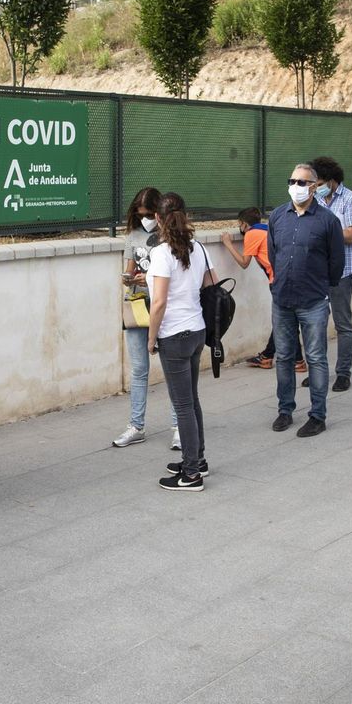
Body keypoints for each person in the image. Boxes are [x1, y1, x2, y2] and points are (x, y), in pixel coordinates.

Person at [269, 163, 345, 437]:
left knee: (315, 358)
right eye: (292, 181)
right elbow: (273, 253)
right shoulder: (278, 216)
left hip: (313, 300)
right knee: (285, 357)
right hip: (282, 300)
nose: (296, 187)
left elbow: (336, 261)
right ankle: (285, 410)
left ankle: (317, 415)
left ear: (314, 186)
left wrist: (323, 287)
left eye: (302, 182)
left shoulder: (327, 220)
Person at [147, 193, 216, 492]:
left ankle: (190, 474)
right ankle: (197, 459)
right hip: (197, 330)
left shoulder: (162, 253)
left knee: (183, 405)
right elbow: (211, 285)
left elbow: (159, 302)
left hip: (173, 335)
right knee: (192, 400)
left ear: (159, 219)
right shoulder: (197, 247)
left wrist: (151, 338)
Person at [114, 186, 178, 451]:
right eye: (140, 214)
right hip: (138, 307)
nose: (145, 219)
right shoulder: (132, 236)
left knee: (174, 371)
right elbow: (128, 271)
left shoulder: (169, 236)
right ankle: (136, 425)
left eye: (149, 213)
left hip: (165, 307)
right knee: (139, 370)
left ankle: (178, 427)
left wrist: (150, 277)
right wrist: (130, 278)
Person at [311, 156, 352, 391]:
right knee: (315, 324)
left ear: (332, 181)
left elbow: (351, 235)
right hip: (316, 273)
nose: (316, 186)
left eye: (319, 182)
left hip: (342, 272)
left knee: (342, 324)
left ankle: (343, 373)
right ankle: (317, 370)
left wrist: (325, 231)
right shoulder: (314, 199)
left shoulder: (351, 200)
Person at [219, 207, 275, 367]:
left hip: (278, 280)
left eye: (239, 224)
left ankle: (268, 356)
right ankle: (295, 360)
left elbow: (244, 263)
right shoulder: (267, 229)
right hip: (285, 277)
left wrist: (228, 244)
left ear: (243, 224)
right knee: (287, 320)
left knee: (283, 322)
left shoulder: (252, 234)